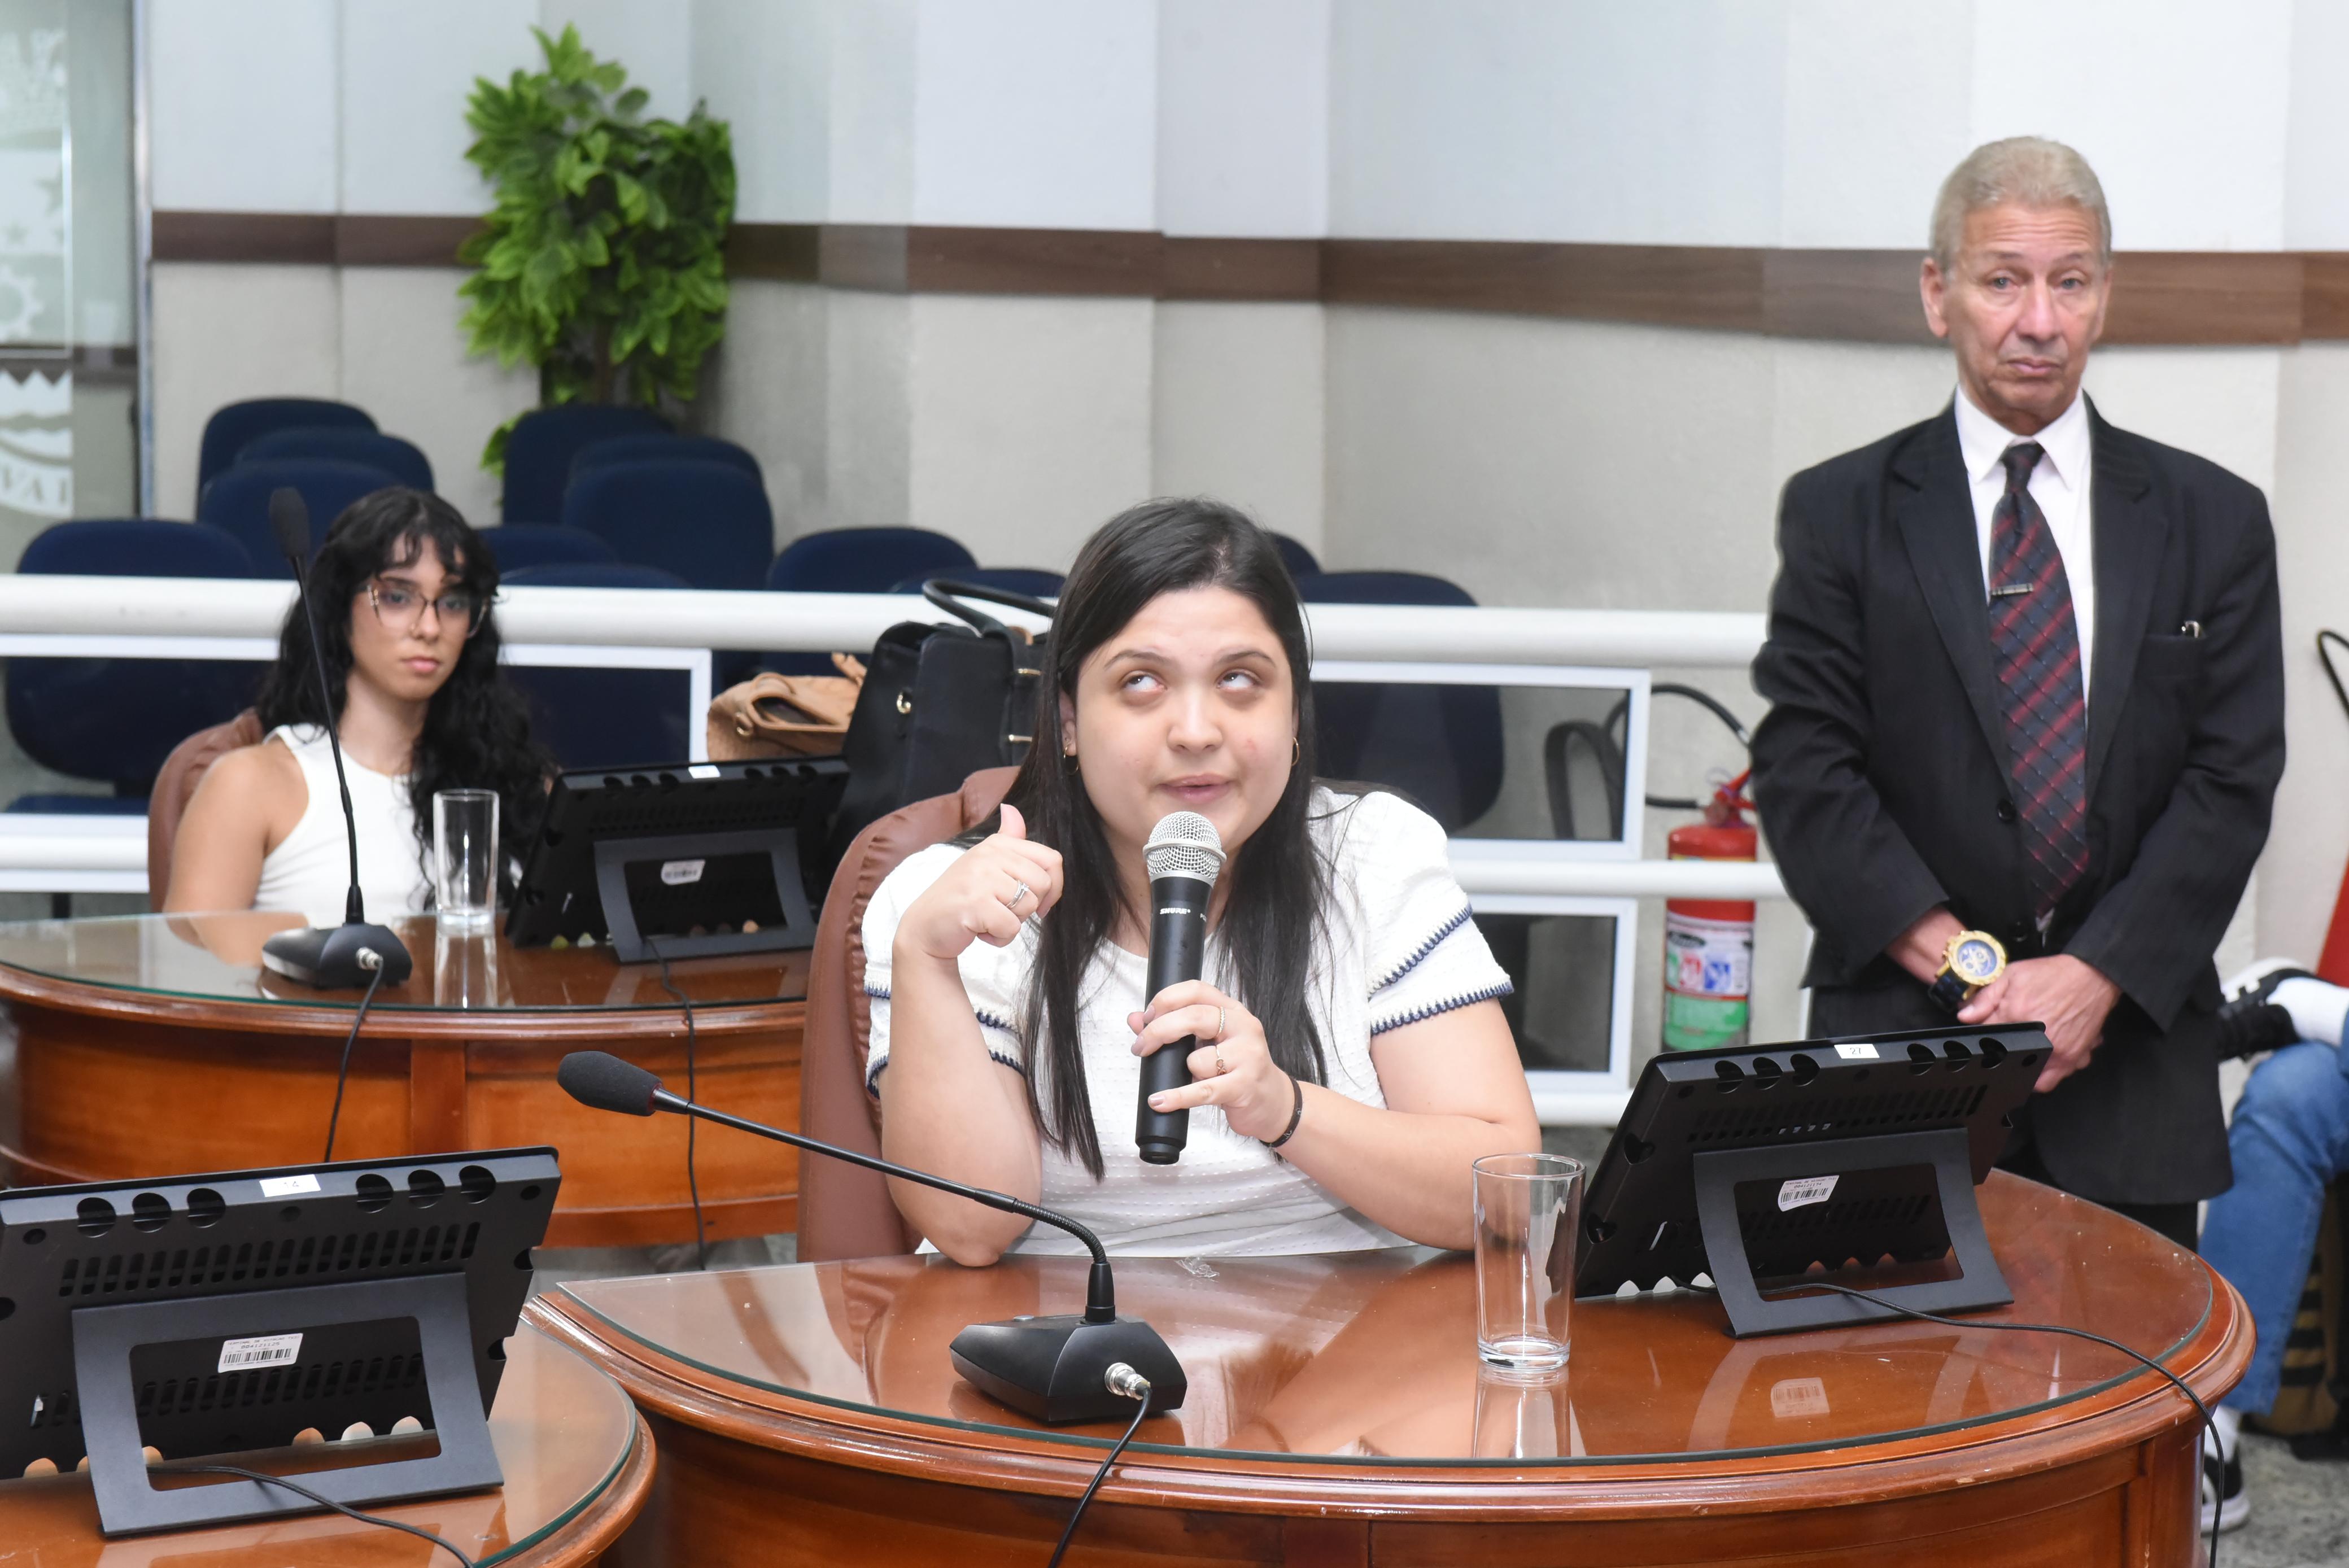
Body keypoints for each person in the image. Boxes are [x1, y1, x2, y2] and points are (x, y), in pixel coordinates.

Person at [1751, 136, 2285, 1247]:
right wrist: (1968, 969)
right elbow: (1805, 764)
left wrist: (2093, 976)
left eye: (2069, 280)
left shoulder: (2214, 520)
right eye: (2002, 279)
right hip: (1901, 1041)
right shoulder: (1839, 510)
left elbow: (2230, 780)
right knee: (1886, 1392)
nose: (2037, 320)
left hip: (2132, 1057)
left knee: (2126, 1399)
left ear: (2103, 294)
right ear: (1937, 292)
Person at [862, 498, 1541, 1259]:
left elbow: (1503, 1198)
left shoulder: (1374, 856)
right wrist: (926, 959)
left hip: (1342, 1352)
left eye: (1241, 679)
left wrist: (1284, 1108)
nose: (1195, 731)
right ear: (1070, 718)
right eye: (1143, 683)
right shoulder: (953, 905)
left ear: (1294, 714)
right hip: (1058, 1350)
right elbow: (970, 1231)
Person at [167, 488, 551, 923]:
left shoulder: (520, 783)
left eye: (454, 602)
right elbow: (186, 978)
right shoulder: (249, 784)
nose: (429, 627)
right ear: (338, 607)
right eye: (397, 597)